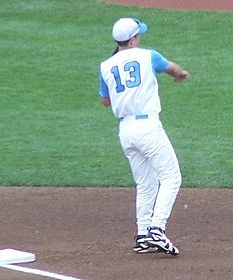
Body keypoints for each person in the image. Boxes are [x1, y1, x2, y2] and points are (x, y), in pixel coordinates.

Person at [98, 17, 189, 256]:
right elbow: (173, 69)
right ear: (134, 38)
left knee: (146, 183)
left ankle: (142, 235)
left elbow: (105, 101)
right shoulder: (149, 55)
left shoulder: (105, 66)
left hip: (125, 132)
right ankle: (157, 229)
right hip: (148, 127)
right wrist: (181, 75)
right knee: (171, 177)